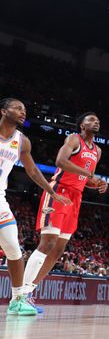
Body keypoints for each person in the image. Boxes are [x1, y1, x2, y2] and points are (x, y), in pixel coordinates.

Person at [23, 111, 108, 313]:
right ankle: (21, 293)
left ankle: (29, 292)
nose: (95, 121)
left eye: (97, 119)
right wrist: (89, 174)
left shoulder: (98, 150)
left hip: (76, 198)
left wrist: (97, 184)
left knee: (59, 250)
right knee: (48, 243)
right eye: (90, 119)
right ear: (82, 125)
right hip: (58, 192)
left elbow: (84, 180)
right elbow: (60, 162)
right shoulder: (73, 139)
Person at [0, 98, 72, 316]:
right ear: (4, 111)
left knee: (13, 246)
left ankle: (17, 299)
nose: (23, 112)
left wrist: (52, 193)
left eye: (25, 109)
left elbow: (32, 171)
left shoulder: (22, 141)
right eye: (18, 108)